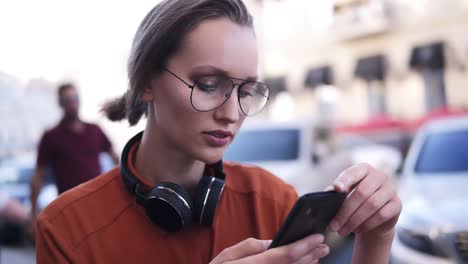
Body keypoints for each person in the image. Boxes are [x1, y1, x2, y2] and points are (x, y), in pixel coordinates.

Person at [35, 1, 402, 263]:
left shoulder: (272, 201)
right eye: (209, 84)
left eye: (246, 91)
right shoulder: (67, 229)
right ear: (146, 81)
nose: (232, 113)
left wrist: (376, 239)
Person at [29, 83, 119, 228]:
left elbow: (118, 161)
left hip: (98, 205)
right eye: (66, 99)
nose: (72, 103)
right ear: (60, 103)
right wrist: (33, 213)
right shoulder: (51, 136)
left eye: (74, 98)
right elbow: (38, 176)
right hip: (69, 210)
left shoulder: (94, 130)